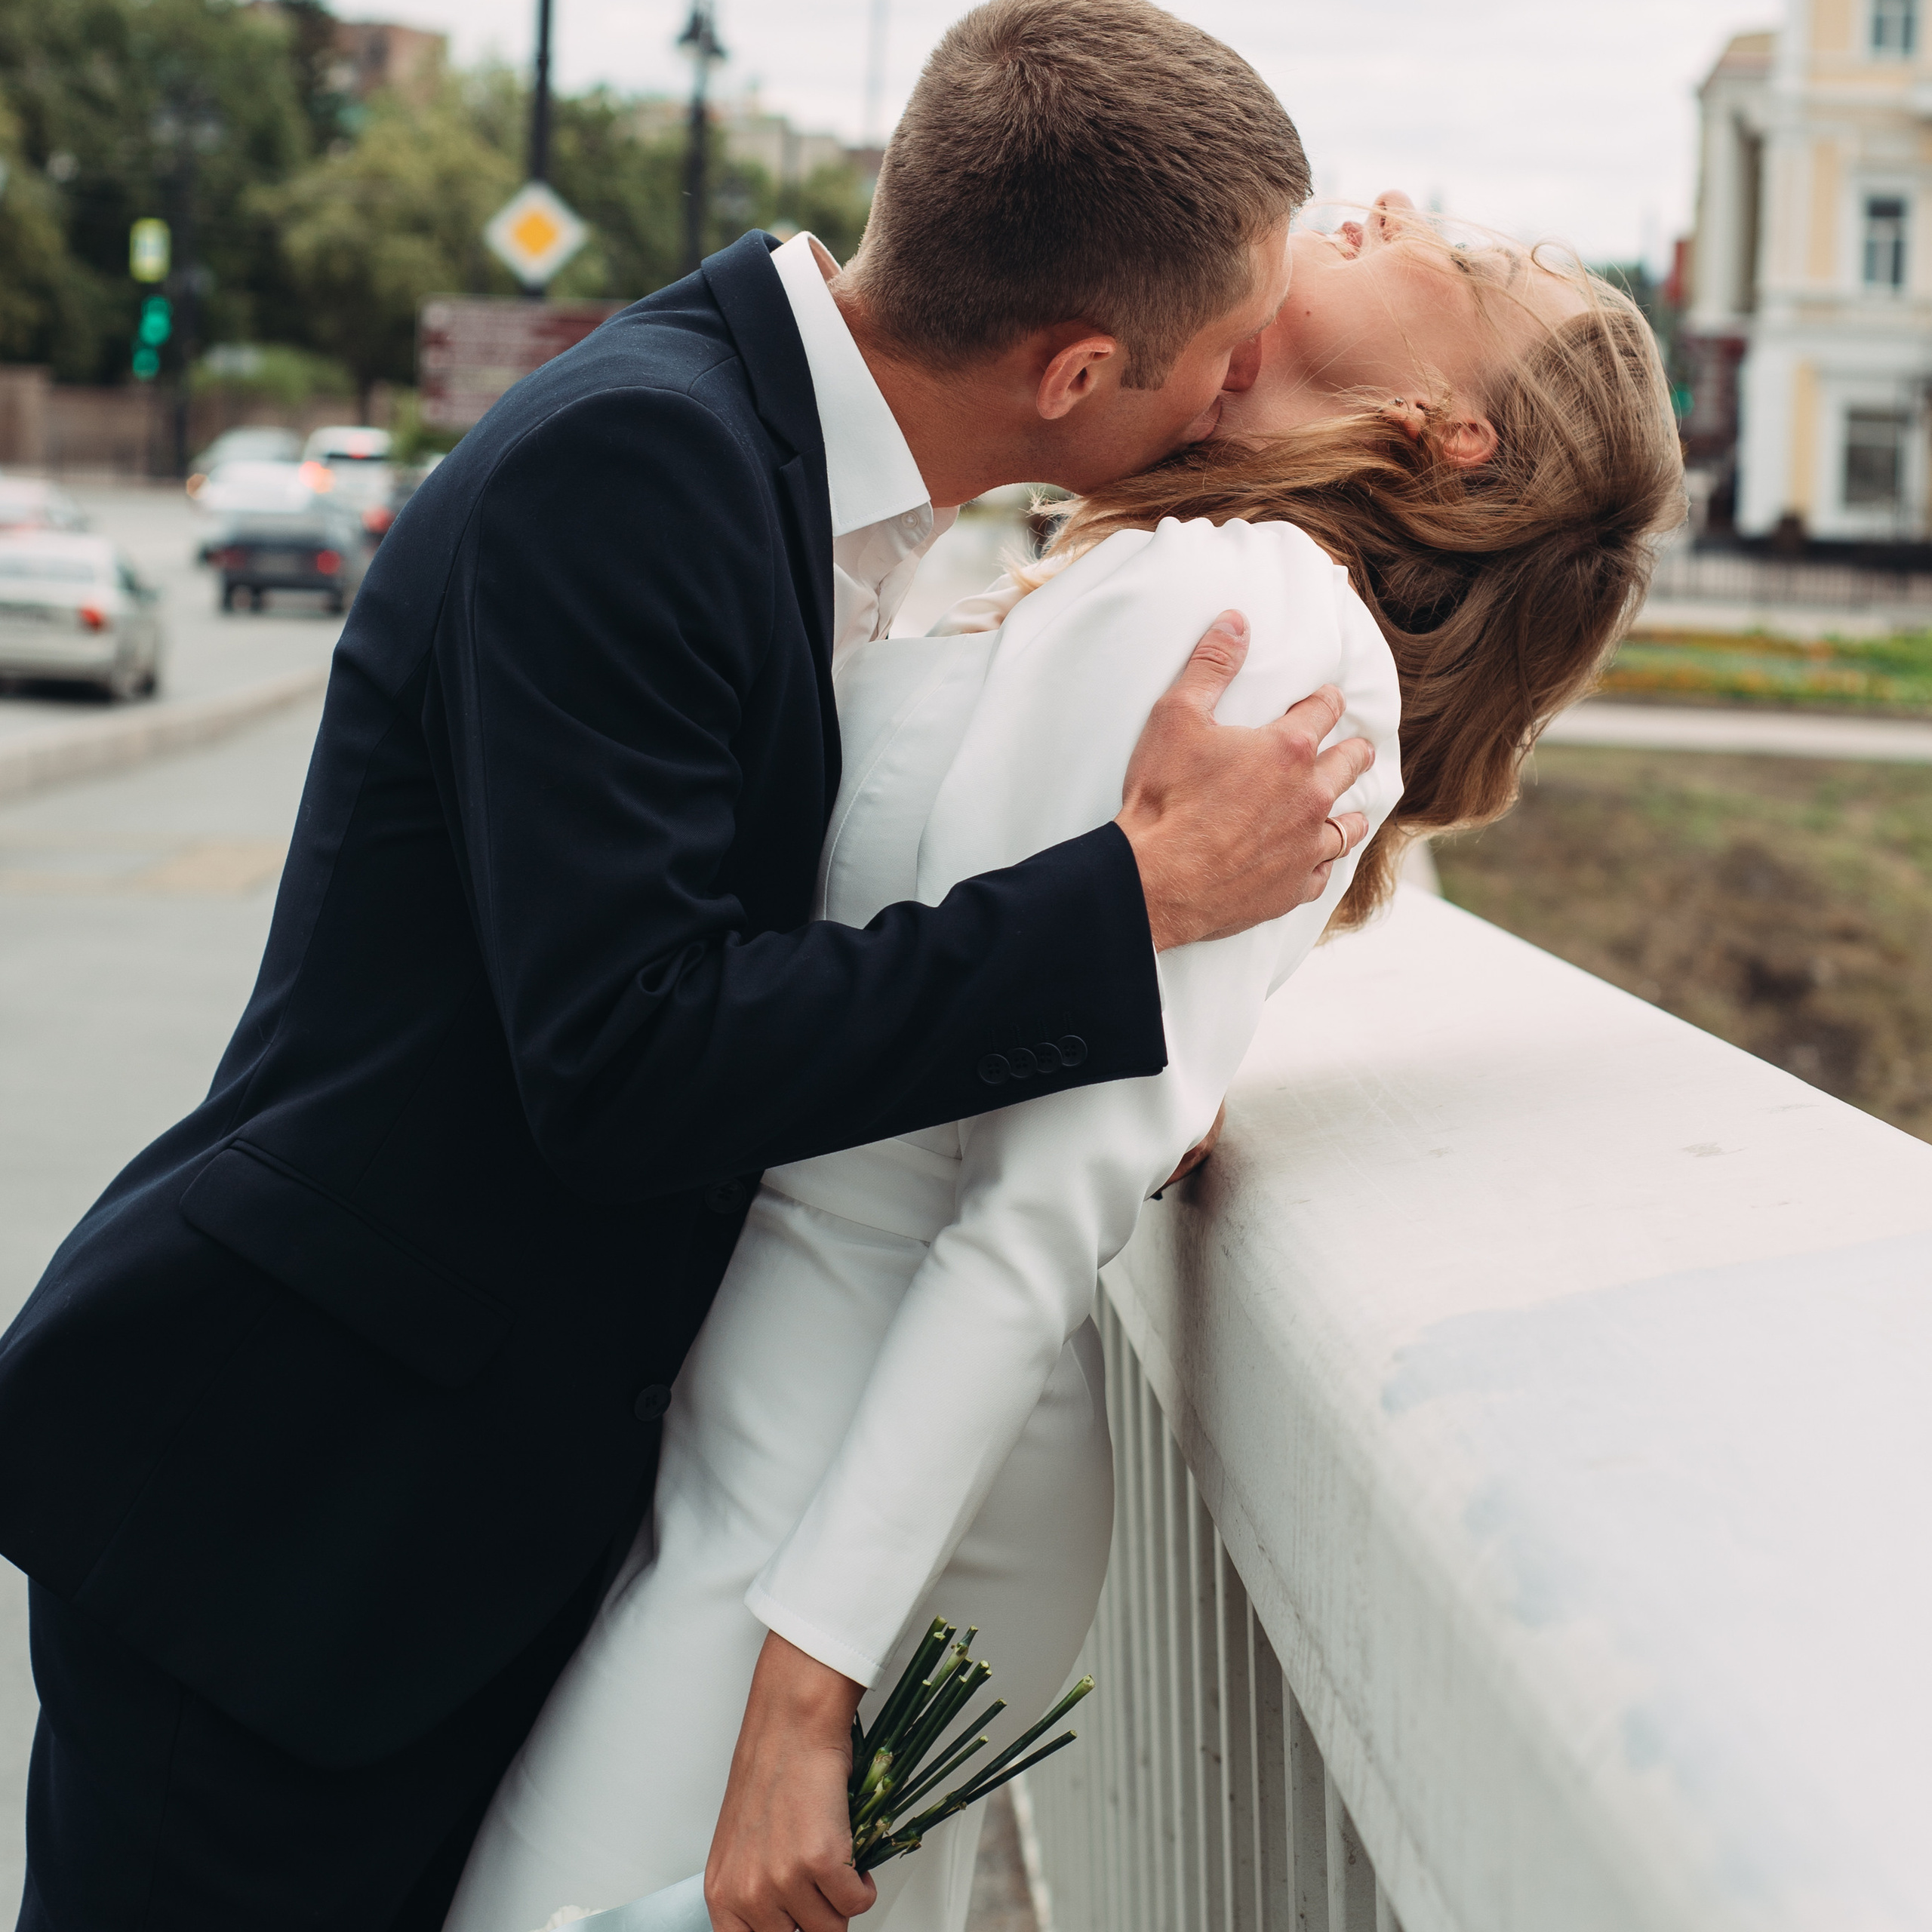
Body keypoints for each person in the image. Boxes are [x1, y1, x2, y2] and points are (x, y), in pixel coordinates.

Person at [0, 5, 1380, 1927]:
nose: (1242, 393)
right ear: (1075, 371)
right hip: (296, 1520)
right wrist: (1118, 906)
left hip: (448, 1511)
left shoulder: (777, 461)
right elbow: (624, 1053)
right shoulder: (638, 467)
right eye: (1223, 354)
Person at [445, 185, 1685, 1932]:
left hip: (846, 1499)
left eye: (1469, 253)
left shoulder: (1246, 608)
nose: (1397, 203)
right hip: (784, 1431)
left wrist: (807, 1695)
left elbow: (1035, 1211)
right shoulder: (1173, 568)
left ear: (1447, 422)